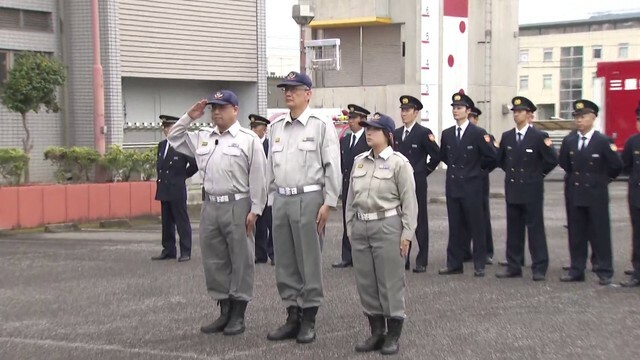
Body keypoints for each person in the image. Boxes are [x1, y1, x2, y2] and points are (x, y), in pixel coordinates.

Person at [168, 90, 267, 335]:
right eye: (213, 108)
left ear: (235, 110)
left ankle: (239, 314)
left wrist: (256, 209)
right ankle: (224, 311)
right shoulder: (203, 136)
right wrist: (190, 116)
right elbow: (174, 137)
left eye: (222, 107)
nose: (216, 112)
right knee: (215, 260)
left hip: (238, 203)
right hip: (211, 204)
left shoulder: (248, 139)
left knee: (241, 259)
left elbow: (259, 177)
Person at [266, 71, 341, 344]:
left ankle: (309, 318)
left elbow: (333, 164)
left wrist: (329, 202)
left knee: (308, 260)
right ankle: (292, 315)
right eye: (286, 88)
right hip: (282, 199)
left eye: (295, 89)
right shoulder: (276, 127)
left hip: (309, 198)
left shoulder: (320, 125)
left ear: (308, 93)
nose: (288, 93)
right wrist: (268, 199)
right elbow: (269, 168)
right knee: (285, 262)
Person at [346, 112, 417, 355]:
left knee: (390, 281)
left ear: (387, 134)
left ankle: (393, 334)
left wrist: (407, 233)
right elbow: (350, 199)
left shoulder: (399, 163)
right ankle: (376, 332)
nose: (368, 132)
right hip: (361, 226)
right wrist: (350, 227)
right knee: (366, 282)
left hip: (388, 225)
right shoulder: (360, 161)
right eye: (366, 128)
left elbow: (409, 202)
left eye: (374, 129)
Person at [558, 99, 622, 285]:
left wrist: (602, 180)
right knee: (576, 233)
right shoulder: (569, 141)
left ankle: (604, 270)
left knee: (599, 233)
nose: (579, 120)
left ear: (593, 118)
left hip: (596, 194)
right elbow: (565, 163)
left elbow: (615, 166)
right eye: (577, 117)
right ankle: (576, 269)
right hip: (575, 192)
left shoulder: (603, 141)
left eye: (583, 116)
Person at [495, 96, 558, 281]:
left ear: (530, 115)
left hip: (532, 190)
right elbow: (501, 160)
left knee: (535, 229)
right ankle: (514, 265)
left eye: (520, 111)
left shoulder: (539, 136)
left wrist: (536, 175)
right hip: (513, 188)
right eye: (514, 111)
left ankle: (539, 266)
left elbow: (551, 160)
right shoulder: (507, 136)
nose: (516, 114)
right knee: (513, 229)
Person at [438, 91, 497, 277]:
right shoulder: (447, 134)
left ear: (468, 111)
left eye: (460, 108)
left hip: (473, 187)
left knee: (476, 226)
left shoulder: (478, 133)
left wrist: (478, 172)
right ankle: (454, 263)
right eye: (454, 108)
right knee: (455, 227)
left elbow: (492, 157)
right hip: (454, 185)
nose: (456, 111)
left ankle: (479, 263)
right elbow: (445, 157)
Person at [393, 95, 440, 273]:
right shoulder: (397, 134)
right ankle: (404, 258)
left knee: (419, 220)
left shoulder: (423, 133)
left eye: (407, 110)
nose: (403, 113)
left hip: (417, 182)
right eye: (402, 110)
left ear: (416, 112)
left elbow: (436, 155)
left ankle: (422, 260)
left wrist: (424, 171)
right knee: (402, 219)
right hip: (399, 184)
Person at [152, 115, 198, 262]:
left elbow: (195, 164)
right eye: (165, 127)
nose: (167, 130)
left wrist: (183, 175)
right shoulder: (162, 145)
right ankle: (168, 249)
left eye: (170, 127)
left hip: (177, 189)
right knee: (166, 222)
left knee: (181, 221)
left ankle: (185, 251)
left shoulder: (182, 145)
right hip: (164, 188)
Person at [333, 104, 371, 269]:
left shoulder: (368, 139)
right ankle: (347, 256)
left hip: (363, 187)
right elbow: (342, 164)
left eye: (353, 118)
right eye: (349, 118)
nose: (350, 121)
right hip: (348, 185)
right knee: (347, 220)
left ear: (362, 120)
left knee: (363, 222)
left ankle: (363, 256)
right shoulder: (346, 139)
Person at [462, 105, 496, 265]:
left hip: (479, 181)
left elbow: (494, 158)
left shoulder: (485, 136)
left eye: (472, 118)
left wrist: (482, 170)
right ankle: (465, 250)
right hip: (464, 181)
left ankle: (486, 251)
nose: (469, 121)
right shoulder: (461, 136)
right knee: (464, 217)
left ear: (476, 119)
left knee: (482, 217)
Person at [250, 114, 275, 266]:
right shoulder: (250, 144)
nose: (253, 130)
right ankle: (260, 254)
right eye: (251, 127)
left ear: (264, 129)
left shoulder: (270, 145)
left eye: (256, 127)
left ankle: (274, 254)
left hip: (269, 190)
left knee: (271, 223)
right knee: (258, 223)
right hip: (255, 190)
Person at [620, 100, 640, 287]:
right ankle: (637, 270)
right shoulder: (633, 142)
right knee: (637, 234)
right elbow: (625, 166)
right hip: (636, 195)